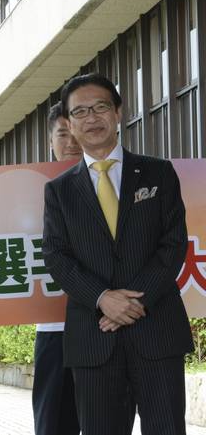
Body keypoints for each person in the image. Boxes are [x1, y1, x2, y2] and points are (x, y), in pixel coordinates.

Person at [43, 73, 194, 435]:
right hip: (94, 339)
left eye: (100, 107)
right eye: (80, 111)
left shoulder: (158, 172)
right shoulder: (59, 191)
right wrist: (102, 299)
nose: (91, 118)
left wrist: (130, 303)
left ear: (118, 112)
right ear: (69, 123)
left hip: (156, 330)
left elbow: (172, 244)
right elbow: (57, 256)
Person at [32, 102, 82, 435]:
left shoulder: (118, 178)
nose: (71, 141)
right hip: (52, 329)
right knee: (52, 423)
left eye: (74, 131)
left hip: (104, 325)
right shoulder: (30, 185)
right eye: (62, 133)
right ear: (51, 141)